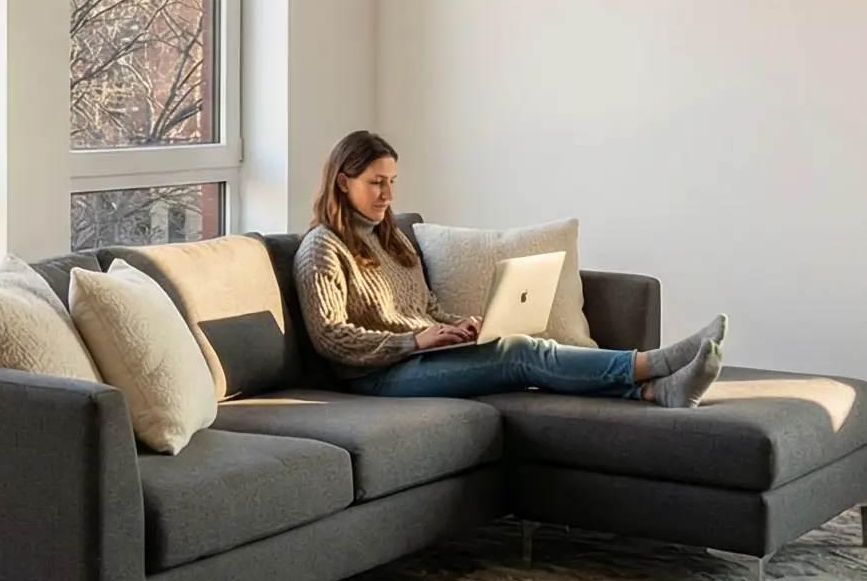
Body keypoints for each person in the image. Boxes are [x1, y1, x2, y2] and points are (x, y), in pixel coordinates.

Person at [293, 129, 726, 406]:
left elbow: (423, 305)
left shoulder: (392, 238)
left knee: (515, 341)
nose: (388, 194)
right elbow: (331, 337)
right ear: (342, 181)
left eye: (392, 182)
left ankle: (653, 389)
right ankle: (653, 364)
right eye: (376, 182)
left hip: (418, 358)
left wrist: (456, 327)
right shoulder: (322, 249)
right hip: (376, 377)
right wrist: (413, 341)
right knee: (519, 353)